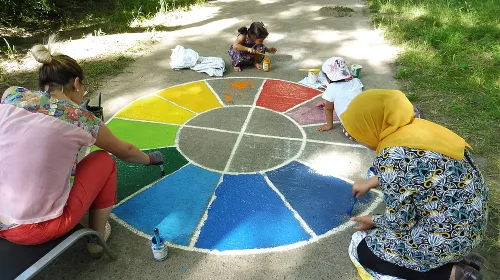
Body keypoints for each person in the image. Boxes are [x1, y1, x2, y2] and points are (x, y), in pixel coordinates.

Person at [0, 35, 164, 258]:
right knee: (104, 160)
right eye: (83, 87)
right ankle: (96, 239)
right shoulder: (80, 118)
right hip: (34, 229)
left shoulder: (12, 95)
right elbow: (125, 152)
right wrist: (150, 159)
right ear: (76, 83)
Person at [343, 89, 488, 280]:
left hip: (449, 237)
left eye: (358, 133)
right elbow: (419, 172)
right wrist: (373, 181)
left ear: (373, 126)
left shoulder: (392, 158)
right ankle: (462, 261)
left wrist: (374, 220)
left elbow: (402, 222)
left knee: (367, 252)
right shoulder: (418, 129)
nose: (359, 139)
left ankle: (456, 273)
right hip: (473, 223)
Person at [316, 57, 364, 137]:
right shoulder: (357, 82)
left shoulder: (331, 88)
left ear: (328, 76)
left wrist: (329, 125)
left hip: (355, 131)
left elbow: (328, 108)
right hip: (368, 122)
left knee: (348, 130)